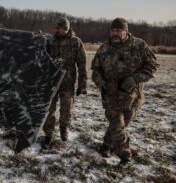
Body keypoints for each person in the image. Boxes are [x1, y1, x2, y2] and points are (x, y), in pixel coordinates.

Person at [91, 18, 159, 166]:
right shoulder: (104, 48)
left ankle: (106, 145)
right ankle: (125, 157)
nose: (115, 33)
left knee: (121, 125)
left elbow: (152, 65)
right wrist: (100, 82)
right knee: (117, 126)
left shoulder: (139, 45)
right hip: (110, 96)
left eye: (118, 30)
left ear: (125, 31)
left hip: (132, 97)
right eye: (113, 30)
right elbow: (95, 70)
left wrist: (136, 78)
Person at [42, 17, 87, 146]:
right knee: (48, 110)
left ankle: (63, 128)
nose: (56, 30)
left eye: (59, 28)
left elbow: (82, 64)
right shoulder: (49, 41)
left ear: (66, 29)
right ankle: (48, 134)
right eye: (55, 28)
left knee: (67, 109)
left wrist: (82, 84)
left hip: (68, 82)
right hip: (51, 83)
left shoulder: (76, 42)